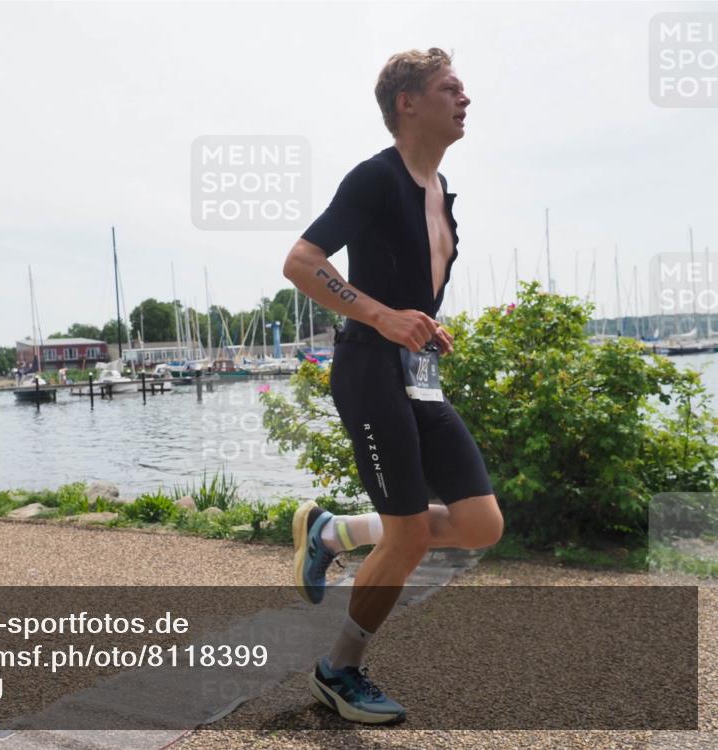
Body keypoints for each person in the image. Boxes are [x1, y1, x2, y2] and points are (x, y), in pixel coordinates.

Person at [282, 48, 504, 725]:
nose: (464, 98)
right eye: (450, 87)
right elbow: (301, 261)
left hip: (417, 375)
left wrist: (425, 327)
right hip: (368, 371)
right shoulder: (375, 179)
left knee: (479, 525)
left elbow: (412, 295)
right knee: (407, 539)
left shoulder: (442, 199)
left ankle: (331, 533)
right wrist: (381, 316)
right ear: (407, 103)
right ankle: (337, 672)